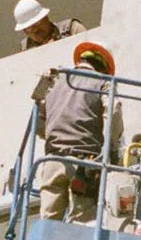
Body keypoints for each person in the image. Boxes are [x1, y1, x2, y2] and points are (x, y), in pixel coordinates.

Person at [36, 42, 116, 223]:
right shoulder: (103, 82)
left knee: (48, 218)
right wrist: (113, 147)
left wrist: (51, 135)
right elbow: (113, 112)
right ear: (103, 66)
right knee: (82, 220)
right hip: (85, 160)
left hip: (53, 160)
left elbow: (39, 121)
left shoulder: (56, 82)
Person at [14, 0, 85, 50]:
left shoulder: (72, 29)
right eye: (29, 28)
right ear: (25, 31)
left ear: (46, 18)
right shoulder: (25, 47)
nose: (35, 30)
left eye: (38, 23)